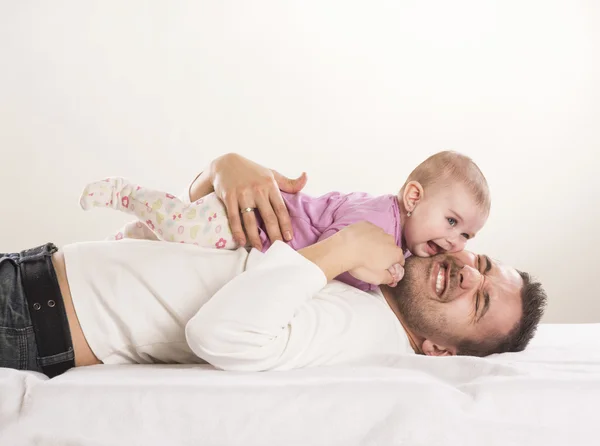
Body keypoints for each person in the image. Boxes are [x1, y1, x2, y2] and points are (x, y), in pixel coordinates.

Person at [0, 154, 546, 377]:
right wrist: (222, 169)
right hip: (37, 277)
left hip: (32, 316)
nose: (467, 269)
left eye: (480, 300)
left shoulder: (362, 325)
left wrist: (346, 246)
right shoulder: (375, 274)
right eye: (483, 262)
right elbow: (219, 241)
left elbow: (222, 334)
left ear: (440, 351)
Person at [79, 151, 490, 290]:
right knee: (182, 226)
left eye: (467, 234)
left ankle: (131, 236)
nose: (456, 241)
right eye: (452, 221)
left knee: (171, 248)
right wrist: (372, 274)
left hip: (249, 240)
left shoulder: (396, 237)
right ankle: (127, 194)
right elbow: (333, 252)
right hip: (252, 221)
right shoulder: (381, 217)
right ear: (413, 197)